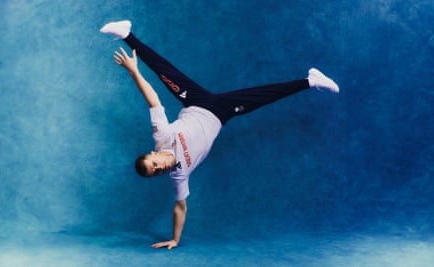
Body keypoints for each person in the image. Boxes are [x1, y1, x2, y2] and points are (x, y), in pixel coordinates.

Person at [100, 20, 339, 250]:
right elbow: (180, 207)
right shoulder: (178, 175)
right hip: (220, 112)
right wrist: (175, 239)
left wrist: (133, 72)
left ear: (154, 154)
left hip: (194, 101)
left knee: (165, 72)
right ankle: (311, 81)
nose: (160, 167)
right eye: (156, 172)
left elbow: (153, 100)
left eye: (155, 163)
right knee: (263, 96)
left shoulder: (162, 137)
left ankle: (126, 34)